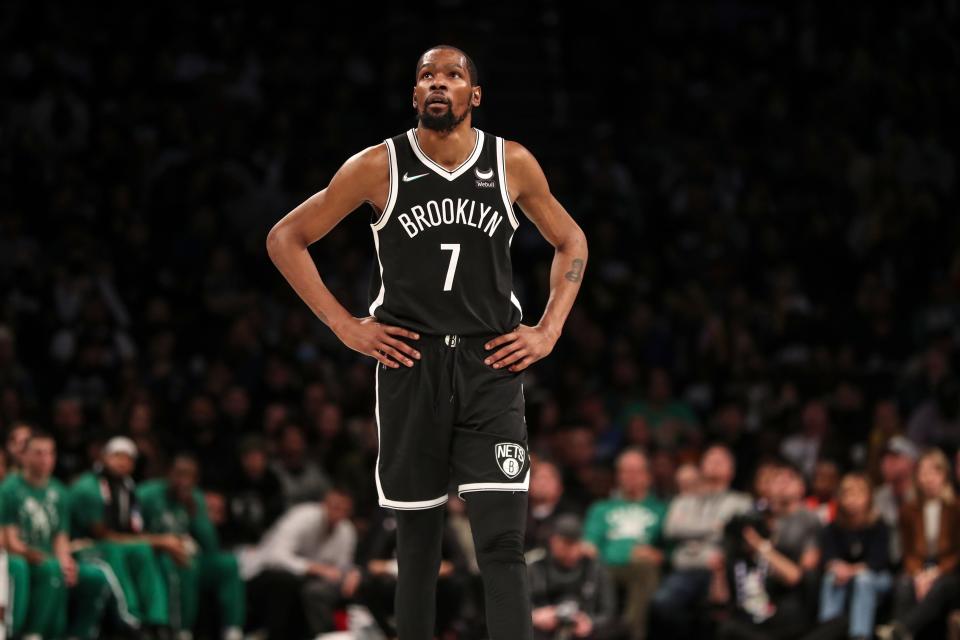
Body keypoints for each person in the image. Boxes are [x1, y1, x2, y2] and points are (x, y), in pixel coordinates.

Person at [266, 43, 587, 640]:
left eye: (453, 75)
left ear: (475, 95)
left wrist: (548, 331)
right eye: (426, 76)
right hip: (409, 362)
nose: (438, 83)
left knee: (502, 542)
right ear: (415, 94)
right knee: (417, 547)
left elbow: (573, 242)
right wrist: (345, 325)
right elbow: (285, 238)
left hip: (489, 361)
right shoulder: (377, 165)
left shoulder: (510, 161)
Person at [1, 431, 112, 640]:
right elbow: (9, 539)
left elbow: (61, 535)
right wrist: (31, 554)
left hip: (49, 557)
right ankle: (31, 633)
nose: (45, 459)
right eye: (39, 453)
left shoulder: (60, 491)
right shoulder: (9, 489)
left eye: (50, 453)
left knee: (93, 575)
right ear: (24, 456)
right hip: (23, 556)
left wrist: (66, 560)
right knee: (49, 568)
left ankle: (78, 634)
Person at [68, 436, 175, 636]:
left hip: (118, 543)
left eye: (128, 458)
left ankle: (157, 620)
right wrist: (159, 540)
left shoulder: (128, 487)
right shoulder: (88, 487)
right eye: (117, 455)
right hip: (84, 546)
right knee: (115, 551)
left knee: (143, 551)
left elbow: (134, 530)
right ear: (103, 457)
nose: (122, 461)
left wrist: (155, 542)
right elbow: (102, 534)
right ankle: (130, 617)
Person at [136, 453, 245, 640]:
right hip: (157, 556)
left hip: (189, 556)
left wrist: (196, 513)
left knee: (228, 564)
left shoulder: (196, 498)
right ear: (169, 474)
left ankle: (233, 630)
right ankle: (182, 631)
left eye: (189, 476)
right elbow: (132, 532)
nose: (183, 481)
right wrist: (163, 543)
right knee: (185, 563)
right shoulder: (146, 494)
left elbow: (211, 545)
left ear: (196, 480)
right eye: (179, 474)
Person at [652, 445, 752, 636]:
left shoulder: (741, 502)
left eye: (721, 461)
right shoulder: (683, 501)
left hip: (720, 569)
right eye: (710, 459)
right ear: (701, 468)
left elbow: (737, 534)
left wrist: (690, 531)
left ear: (731, 471)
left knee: (720, 617)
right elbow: (671, 529)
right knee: (661, 604)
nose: (714, 464)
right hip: (686, 568)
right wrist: (716, 527)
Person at [239, 486, 360, 639]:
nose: (339, 513)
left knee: (317, 592)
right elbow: (276, 556)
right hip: (264, 573)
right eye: (335, 506)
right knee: (285, 582)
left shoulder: (347, 530)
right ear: (324, 504)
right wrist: (314, 568)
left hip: (308, 582)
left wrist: (351, 573)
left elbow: (341, 567)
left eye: (344, 509)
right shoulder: (302, 516)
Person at [717, 461, 821, 640]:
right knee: (727, 627)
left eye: (789, 478)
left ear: (802, 486)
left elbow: (801, 574)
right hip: (754, 594)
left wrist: (761, 547)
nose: (782, 482)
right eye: (777, 479)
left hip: (790, 600)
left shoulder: (809, 519)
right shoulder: (754, 516)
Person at [583, 448, 666, 640]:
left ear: (648, 476)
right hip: (606, 567)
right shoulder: (601, 508)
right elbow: (589, 544)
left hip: (641, 569)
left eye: (636, 471)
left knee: (644, 568)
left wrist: (660, 555)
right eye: (625, 471)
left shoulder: (661, 510)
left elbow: (669, 548)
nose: (630, 477)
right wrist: (626, 552)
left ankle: (630, 633)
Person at [878, 448, 960, 639]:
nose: (928, 478)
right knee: (904, 584)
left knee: (942, 585)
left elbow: (957, 552)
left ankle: (900, 629)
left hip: (949, 569)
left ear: (944, 475)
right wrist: (918, 575)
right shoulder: (908, 510)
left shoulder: (956, 508)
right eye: (923, 472)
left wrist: (935, 573)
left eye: (934, 472)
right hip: (918, 566)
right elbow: (907, 551)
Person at [817, 472, 891, 640]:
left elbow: (879, 561)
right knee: (831, 577)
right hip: (844, 577)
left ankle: (860, 635)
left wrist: (851, 570)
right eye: (848, 494)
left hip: (877, 578)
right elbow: (827, 558)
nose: (853, 499)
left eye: (858, 494)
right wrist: (836, 567)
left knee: (863, 579)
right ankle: (827, 632)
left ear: (869, 497)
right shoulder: (833, 527)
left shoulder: (879, 526)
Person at [528, 514, 618, 640]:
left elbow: (608, 612)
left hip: (584, 628)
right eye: (567, 544)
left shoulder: (594, 568)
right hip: (543, 628)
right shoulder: (536, 566)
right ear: (553, 541)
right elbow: (515, 605)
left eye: (577, 543)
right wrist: (534, 615)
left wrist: (590, 622)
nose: (573, 550)